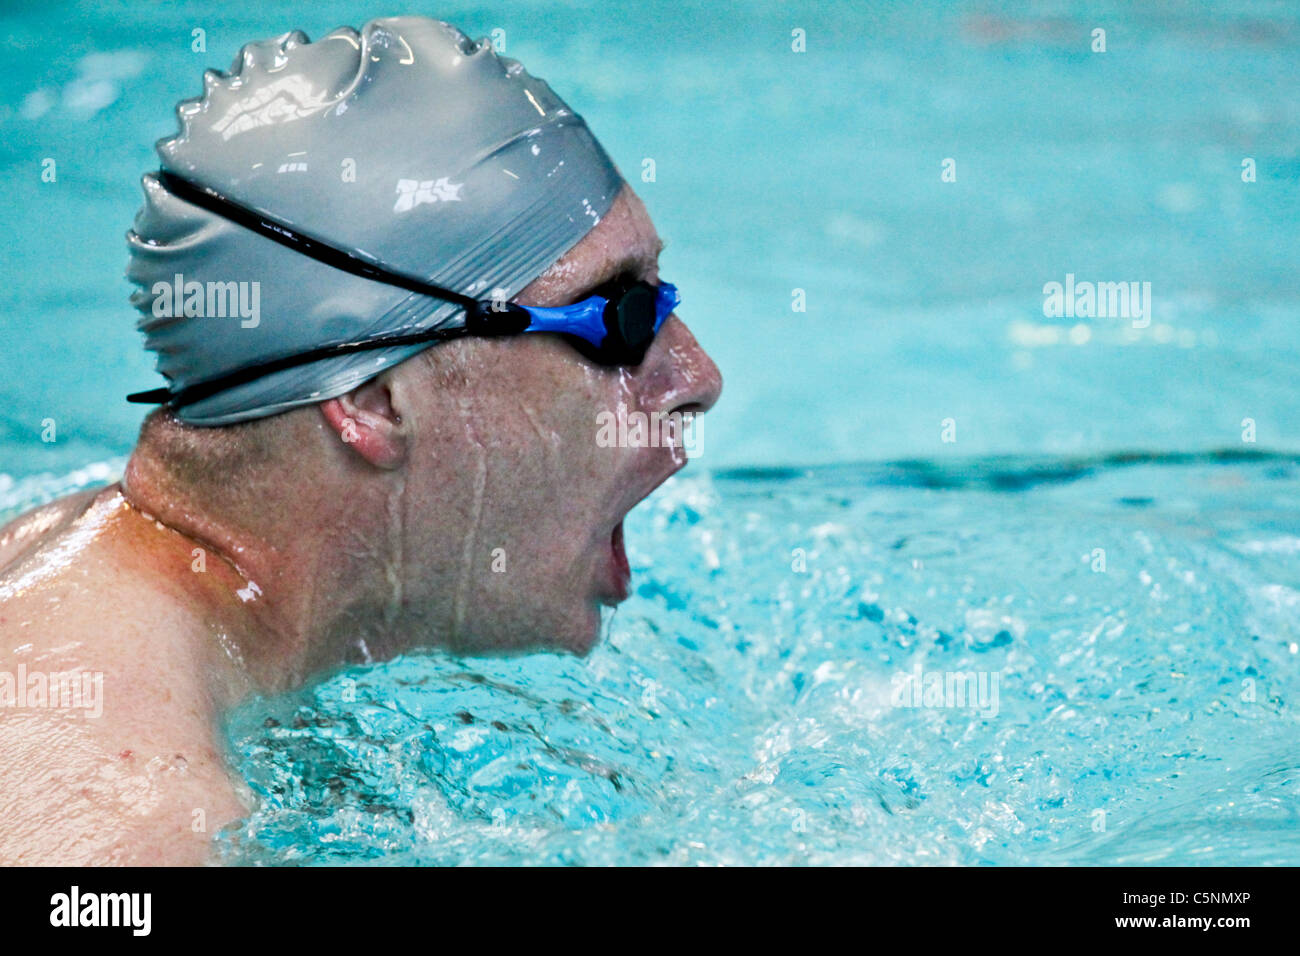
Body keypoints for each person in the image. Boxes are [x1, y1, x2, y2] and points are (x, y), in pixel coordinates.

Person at [0, 16, 721, 865]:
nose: (697, 376)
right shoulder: (120, 802)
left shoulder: (219, 624)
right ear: (373, 400)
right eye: (618, 317)